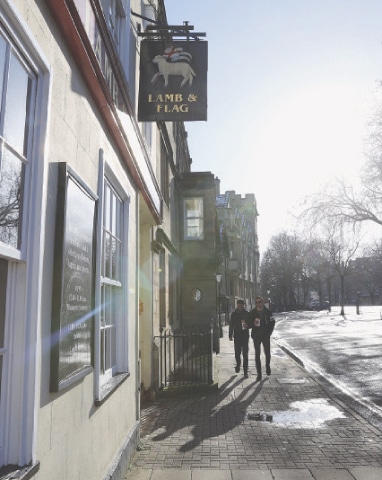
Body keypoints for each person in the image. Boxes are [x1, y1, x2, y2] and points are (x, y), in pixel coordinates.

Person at [249, 296, 275, 382]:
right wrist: (252, 323)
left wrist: (270, 332)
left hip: (265, 335)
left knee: (267, 353)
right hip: (256, 336)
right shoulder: (252, 312)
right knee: (257, 354)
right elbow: (248, 323)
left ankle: (267, 365)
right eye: (256, 302)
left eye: (259, 302)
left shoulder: (268, 312)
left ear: (262, 302)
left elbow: (272, 321)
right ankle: (259, 374)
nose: (258, 304)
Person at [229, 299, 250, 378]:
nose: (240, 307)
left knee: (245, 354)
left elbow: (251, 323)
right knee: (237, 354)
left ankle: (245, 372)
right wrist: (230, 335)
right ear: (237, 305)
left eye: (241, 305)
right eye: (238, 305)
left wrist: (248, 325)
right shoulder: (234, 314)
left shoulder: (247, 314)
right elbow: (231, 325)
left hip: (245, 336)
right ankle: (238, 364)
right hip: (237, 336)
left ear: (243, 305)